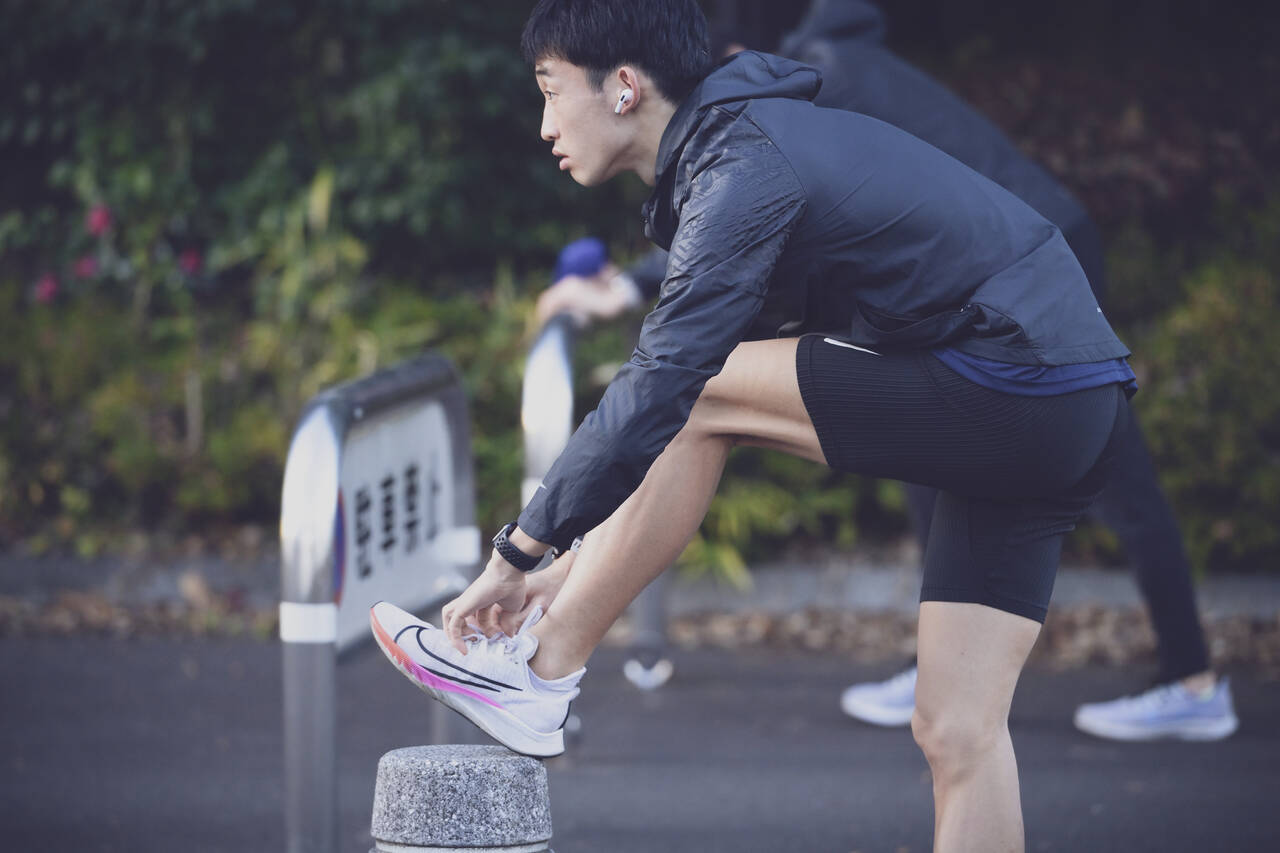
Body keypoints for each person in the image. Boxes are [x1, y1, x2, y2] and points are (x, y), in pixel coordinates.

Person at [371, 0, 1135, 847]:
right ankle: (544, 657)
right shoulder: (742, 152)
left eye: (550, 90)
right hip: (1066, 400)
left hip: (1016, 381)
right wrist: (576, 559)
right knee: (958, 731)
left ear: (624, 87)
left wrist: (521, 552)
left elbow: (670, 384)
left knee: (701, 394)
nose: (544, 122)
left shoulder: (744, 166)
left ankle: (540, 675)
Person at [534, 0, 1237, 744]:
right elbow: (739, 215)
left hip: (1020, 276)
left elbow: (749, 196)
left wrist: (637, 288)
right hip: (980, 281)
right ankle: (945, 655)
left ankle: (1190, 676)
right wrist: (641, 285)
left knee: (1110, 474)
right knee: (928, 439)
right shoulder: (819, 69)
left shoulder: (807, 88)